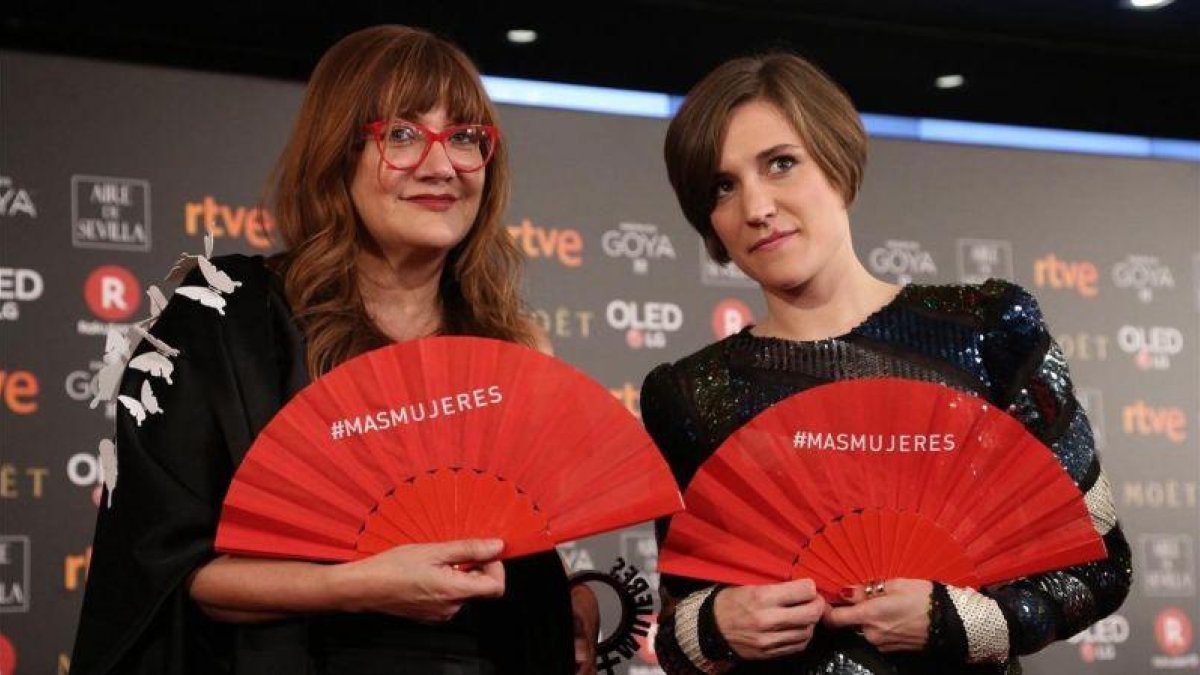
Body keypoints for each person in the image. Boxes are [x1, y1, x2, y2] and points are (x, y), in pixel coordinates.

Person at [70, 24, 597, 675]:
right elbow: (166, 570)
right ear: (336, 153)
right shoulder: (221, 315)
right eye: (401, 135)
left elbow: (510, 550)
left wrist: (563, 599)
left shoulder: (514, 344)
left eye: (464, 136)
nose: (442, 165)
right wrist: (360, 583)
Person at [642, 52, 1131, 674]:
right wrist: (715, 626)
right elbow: (675, 632)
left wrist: (958, 621)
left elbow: (1099, 561)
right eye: (722, 187)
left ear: (837, 161)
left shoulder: (988, 328)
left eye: (781, 164)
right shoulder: (685, 395)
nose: (756, 207)